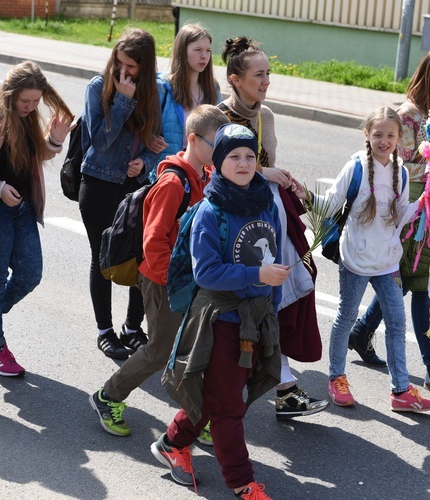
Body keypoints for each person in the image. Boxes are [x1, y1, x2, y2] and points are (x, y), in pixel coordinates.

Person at [156, 123, 286, 500]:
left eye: (249, 156)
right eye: (234, 156)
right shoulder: (209, 212)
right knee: (229, 407)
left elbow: (273, 261)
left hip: (256, 319)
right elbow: (207, 272)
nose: (244, 163)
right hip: (221, 321)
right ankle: (241, 483)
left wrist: (270, 309)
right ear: (218, 161)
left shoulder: (265, 202)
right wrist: (256, 273)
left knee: (221, 395)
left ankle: (172, 442)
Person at [90, 105, 228, 438]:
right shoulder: (172, 183)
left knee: (199, 349)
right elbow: (153, 241)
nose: (221, 152)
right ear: (193, 140)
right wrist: (176, 284)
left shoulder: (205, 177)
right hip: (163, 280)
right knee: (159, 351)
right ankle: (108, 396)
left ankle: (198, 417)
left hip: (189, 281)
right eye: (215, 144)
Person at [349, 48, 430, 400]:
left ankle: (362, 330)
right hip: (409, 215)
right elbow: (391, 165)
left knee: (402, 280)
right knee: (421, 285)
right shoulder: (408, 117)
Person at [219, 36, 327, 420]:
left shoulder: (266, 117)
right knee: (241, 304)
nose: (266, 81)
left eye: (268, 73)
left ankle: (282, 386)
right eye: (258, 75)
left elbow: (264, 168)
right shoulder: (218, 117)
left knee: (276, 297)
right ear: (235, 79)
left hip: (267, 218)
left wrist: (282, 181)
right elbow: (219, 172)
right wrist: (265, 172)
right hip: (232, 225)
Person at [323, 107, 430, 413]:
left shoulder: (400, 171)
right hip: (356, 258)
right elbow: (331, 201)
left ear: (400, 138)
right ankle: (337, 377)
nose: (384, 140)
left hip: (387, 260)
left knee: (397, 323)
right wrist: (302, 197)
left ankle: (400, 391)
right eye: (378, 134)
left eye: (390, 135)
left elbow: (400, 217)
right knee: (346, 317)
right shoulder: (357, 167)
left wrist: (427, 203)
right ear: (367, 135)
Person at [0, 61, 75, 377]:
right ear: (9, 93)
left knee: (30, 273)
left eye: (35, 102)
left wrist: (54, 139)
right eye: (24, 101)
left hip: (22, 207)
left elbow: (35, 156)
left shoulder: (26, 119)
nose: (29, 107)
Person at [79, 28, 166, 360]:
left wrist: (143, 163)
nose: (123, 71)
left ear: (144, 66)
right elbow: (99, 141)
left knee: (140, 258)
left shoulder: (154, 91)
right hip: (98, 184)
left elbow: (154, 142)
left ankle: (132, 328)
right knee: (101, 259)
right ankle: (105, 331)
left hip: (134, 187)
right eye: (119, 63)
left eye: (131, 66)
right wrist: (122, 102)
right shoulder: (99, 87)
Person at [155, 22, 220, 181]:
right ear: (182, 51)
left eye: (208, 51)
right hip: (169, 173)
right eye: (198, 50)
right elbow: (145, 128)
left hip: (202, 174)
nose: (204, 56)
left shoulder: (213, 88)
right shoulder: (163, 86)